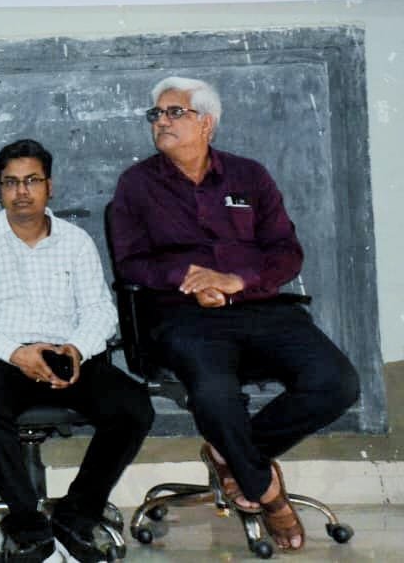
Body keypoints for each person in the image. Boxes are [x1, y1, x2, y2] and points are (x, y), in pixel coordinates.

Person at [109, 76, 359, 552]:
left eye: (174, 112)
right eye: (156, 114)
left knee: (337, 382)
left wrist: (235, 281)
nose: (161, 121)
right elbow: (131, 262)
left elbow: (286, 253)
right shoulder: (136, 185)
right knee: (213, 394)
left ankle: (232, 455)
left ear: (207, 123)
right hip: (184, 317)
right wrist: (190, 277)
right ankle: (268, 493)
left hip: (260, 307)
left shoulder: (250, 176)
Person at [0, 139, 152, 563]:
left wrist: (77, 349)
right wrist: (16, 353)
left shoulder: (76, 242)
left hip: (66, 354)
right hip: (2, 358)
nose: (21, 191)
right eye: (11, 183)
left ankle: (76, 516)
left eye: (32, 181)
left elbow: (99, 310)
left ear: (49, 186)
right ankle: (30, 528)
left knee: (133, 406)